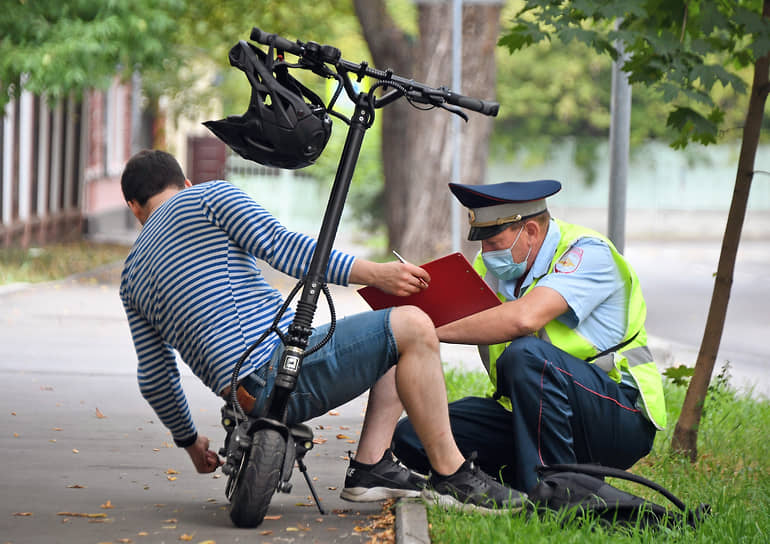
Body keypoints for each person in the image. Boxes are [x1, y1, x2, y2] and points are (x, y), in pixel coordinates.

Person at [119, 149, 519, 512]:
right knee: (413, 323)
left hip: (241, 398)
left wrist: (190, 444)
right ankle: (453, 476)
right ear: (185, 182)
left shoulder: (131, 276)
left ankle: (373, 468)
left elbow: (156, 379)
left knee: (391, 335)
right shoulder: (207, 198)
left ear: (134, 207)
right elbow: (283, 247)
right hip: (276, 371)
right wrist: (376, 274)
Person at [393, 180, 667, 493]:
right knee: (414, 435)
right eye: (482, 244)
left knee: (526, 355)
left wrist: (421, 328)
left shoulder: (587, 252)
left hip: (616, 415)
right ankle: (507, 488)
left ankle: (553, 494)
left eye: (495, 242)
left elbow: (525, 318)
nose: (486, 252)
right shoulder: (492, 270)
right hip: (535, 417)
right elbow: (458, 317)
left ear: (532, 231)